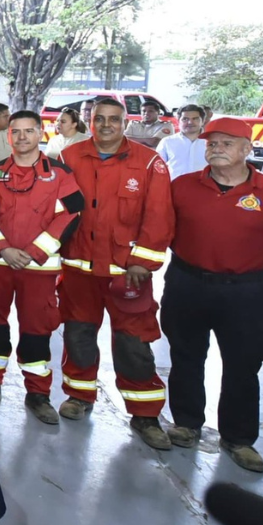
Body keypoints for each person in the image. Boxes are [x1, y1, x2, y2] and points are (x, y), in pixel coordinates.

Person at [163, 118, 263, 473]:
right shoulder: (182, 187)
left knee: (243, 364)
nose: (216, 149)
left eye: (226, 143)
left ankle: (239, 439)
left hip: (245, 294)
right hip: (187, 285)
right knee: (185, 356)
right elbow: (162, 229)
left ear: (247, 149)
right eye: (212, 144)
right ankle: (186, 424)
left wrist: (256, 270)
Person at [57, 97, 174, 449]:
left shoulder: (149, 162)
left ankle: (145, 413)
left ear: (125, 123)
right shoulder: (69, 157)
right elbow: (57, 209)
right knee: (78, 332)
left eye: (114, 119)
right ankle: (79, 395)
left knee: (133, 340)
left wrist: (143, 261)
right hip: (79, 266)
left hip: (128, 271)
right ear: (90, 122)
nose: (106, 125)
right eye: (99, 119)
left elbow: (159, 215)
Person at [0, 111, 85, 423]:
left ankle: (38, 393)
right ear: (8, 135)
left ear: (40, 134)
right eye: (16, 131)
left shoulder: (60, 174)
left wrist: (35, 251)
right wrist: (2, 248)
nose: (22, 137)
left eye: (28, 131)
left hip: (39, 268)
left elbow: (71, 214)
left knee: (37, 329)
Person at [156, 104, 209, 179]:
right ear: (178, 121)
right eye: (185, 119)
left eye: (195, 119)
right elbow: (157, 168)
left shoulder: (211, 142)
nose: (190, 122)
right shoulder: (167, 142)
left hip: (204, 185)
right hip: (174, 185)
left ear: (203, 121)